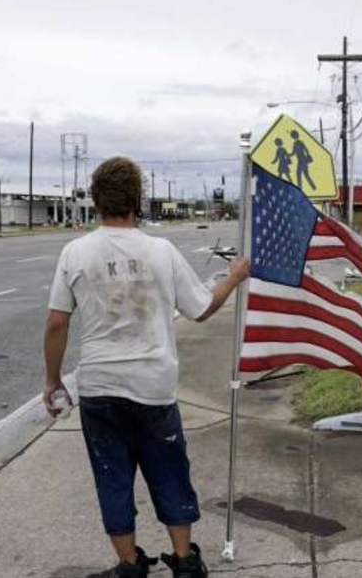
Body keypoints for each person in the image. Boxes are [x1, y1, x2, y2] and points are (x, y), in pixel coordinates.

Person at [43, 156, 250, 578]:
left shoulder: (75, 252)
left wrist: (52, 380)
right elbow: (202, 308)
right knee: (169, 470)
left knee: (112, 477)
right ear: (138, 198)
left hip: (100, 388)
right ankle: (186, 561)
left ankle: (129, 564)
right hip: (153, 387)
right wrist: (234, 276)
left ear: (96, 200)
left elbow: (57, 322)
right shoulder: (161, 251)